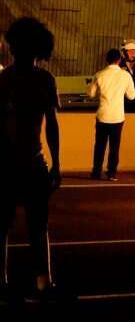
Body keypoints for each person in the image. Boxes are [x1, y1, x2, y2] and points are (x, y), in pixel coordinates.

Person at [0, 18, 62, 300]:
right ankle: (43, 281)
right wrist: (57, 163)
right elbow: (52, 124)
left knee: (4, 226)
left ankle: (4, 281)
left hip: (9, 164)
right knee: (38, 227)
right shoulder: (44, 80)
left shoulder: (6, 80)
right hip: (33, 162)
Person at [87, 48, 135, 181]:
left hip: (102, 115)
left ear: (107, 60)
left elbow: (90, 94)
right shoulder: (125, 76)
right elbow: (132, 96)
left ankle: (96, 172)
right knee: (114, 147)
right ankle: (112, 173)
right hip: (117, 116)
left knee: (99, 145)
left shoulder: (99, 74)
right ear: (119, 60)